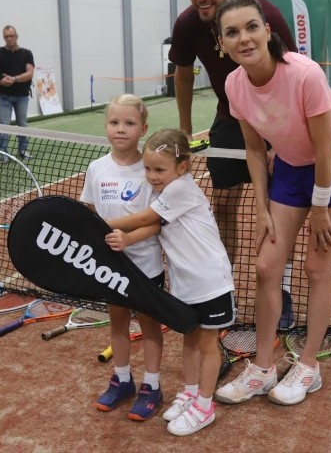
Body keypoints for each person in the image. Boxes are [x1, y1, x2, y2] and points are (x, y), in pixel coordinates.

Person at [213, 0, 331, 406]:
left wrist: (319, 207)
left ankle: (309, 367)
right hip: (291, 168)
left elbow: (326, 146)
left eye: (250, 27)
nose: (243, 38)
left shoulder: (304, 74)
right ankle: (262, 369)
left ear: (266, 31)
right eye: (232, 32)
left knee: (317, 266)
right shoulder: (233, 85)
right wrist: (262, 208)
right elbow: (255, 150)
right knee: (266, 265)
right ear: (221, 43)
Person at [169, 0, 298, 328]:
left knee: (279, 211)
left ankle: (283, 289)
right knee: (223, 204)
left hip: (275, 120)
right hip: (230, 117)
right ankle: (221, 288)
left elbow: (291, 72)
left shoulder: (263, 15)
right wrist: (185, 131)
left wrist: (283, 139)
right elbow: (182, 73)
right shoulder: (188, 23)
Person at [105, 128, 235, 436]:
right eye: (148, 168)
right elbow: (153, 227)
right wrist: (126, 240)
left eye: (159, 169)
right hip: (186, 284)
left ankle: (205, 406)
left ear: (182, 168)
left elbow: (142, 218)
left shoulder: (180, 189)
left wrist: (101, 225)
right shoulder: (165, 190)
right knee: (189, 340)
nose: (151, 175)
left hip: (210, 280)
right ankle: (191, 393)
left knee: (206, 343)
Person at [80, 94, 165, 422]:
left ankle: (152, 385)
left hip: (146, 265)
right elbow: (88, 214)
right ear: (106, 126)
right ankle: (123, 380)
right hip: (109, 267)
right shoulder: (96, 168)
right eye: (114, 122)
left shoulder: (151, 171)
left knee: (148, 325)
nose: (121, 129)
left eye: (129, 123)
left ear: (143, 128)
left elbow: (157, 220)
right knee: (118, 322)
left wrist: (128, 238)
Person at [0, 25, 34, 160]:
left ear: (16, 36)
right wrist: (1, 81)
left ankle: (23, 150)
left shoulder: (26, 53)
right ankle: (4, 153)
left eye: (11, 36)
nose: (9, 38)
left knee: (22, 124)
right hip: (4, 97)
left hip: (22, 96)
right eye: (6, 36)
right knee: (4, 125)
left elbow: (29, 73)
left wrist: (14, 79)